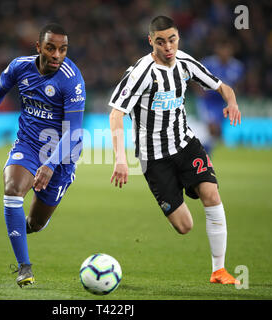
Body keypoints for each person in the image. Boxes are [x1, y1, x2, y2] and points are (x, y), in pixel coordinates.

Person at [109, 16, 241, 284]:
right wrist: (120, 159)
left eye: (172, 40)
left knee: (212, 193)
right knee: (185, 226)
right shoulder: (140, 73)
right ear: (151, 42)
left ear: (178, 38)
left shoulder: (185, 62)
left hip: (185, 144)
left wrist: (232, 102)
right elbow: (115, 114)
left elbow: (221, 86)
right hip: (154, 158)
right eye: (161, 42)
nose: (168, 47)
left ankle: (219, 270)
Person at [0, 23, 85, 288]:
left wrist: (51, 165)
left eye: (62, 49)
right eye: (50, 48)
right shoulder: (20, 67)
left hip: (62, 154)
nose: (56, 55)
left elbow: (75, 130)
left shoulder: (72, 79)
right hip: (28, 145)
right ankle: (24, 267)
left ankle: (21, 226)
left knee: (36, 223)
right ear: (38, 46)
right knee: (12, 189)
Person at [195, 39, 245, 154]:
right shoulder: (207, 63)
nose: (225, 52)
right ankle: (204, 157)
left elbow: (238, 84)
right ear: (217, 50)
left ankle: (204, 154)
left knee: (216, 132)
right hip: (208, 101)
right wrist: (200, 91)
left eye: (227, 49)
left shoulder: (237, 66)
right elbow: (193, 77)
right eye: (222, 49)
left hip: (223, 103)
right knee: (213, 128)